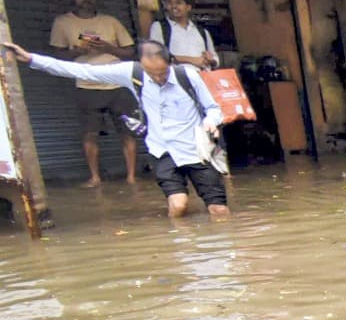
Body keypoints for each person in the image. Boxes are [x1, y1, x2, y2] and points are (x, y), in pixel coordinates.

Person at [6, 39, 227, 218]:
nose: (158, 78)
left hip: (197, 151)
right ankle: (184, 251)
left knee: (219, 211)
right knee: (178, 207)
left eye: (162, 73)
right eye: (152, 74)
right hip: (163, 151)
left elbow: (213, 108)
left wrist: (211, 121)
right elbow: (82, 71)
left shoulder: (187, 75)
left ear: (170, 62)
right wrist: (31, 59)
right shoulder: (132, 72)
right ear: (141, 65)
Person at [48, 0, 137, 186]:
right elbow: (57, 55)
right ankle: (95, 177)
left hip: (118, 83)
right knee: (90, 133)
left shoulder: (111, 21)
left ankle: (132, 176)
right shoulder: (62, 23)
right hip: (86, 83)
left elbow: (130, 51)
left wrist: (108, 48)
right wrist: (79, 51)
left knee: (127, 131)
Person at [149, 0, 218, 70]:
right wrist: (192, 60)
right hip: (177, 78)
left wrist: (211, 60)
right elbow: (157, 55)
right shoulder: (159, 27)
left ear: (188, 7)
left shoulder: (202, 31)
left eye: (178, 3)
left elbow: (215, 59)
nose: (173, 6)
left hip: (202, 77)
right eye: (169, 3)